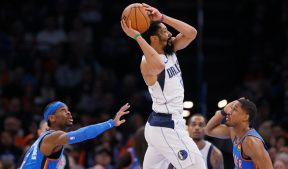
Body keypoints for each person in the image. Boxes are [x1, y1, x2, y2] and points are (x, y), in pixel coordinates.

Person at [121, 3, 206, 169]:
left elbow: (192, 33)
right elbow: (159, 66)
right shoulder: (146, 62)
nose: (170, 33)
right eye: (164, 31)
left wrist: (162, 18)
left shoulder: (170, 48)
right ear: (153, 39)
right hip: (166, 126)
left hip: (161, 124)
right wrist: (137, 36)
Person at [19, 101, 130, 169]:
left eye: (68, 110)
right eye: (63, 110)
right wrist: (111, 123)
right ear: (52, 118)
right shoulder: (52, 137)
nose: (68, 112)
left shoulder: (42, 141)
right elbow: (83, 134)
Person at [205, 98, 273, 168]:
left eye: (234, 109)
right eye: (230, 108)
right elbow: (208, 130)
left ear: (245, 117)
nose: (229, 112)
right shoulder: (233, 131)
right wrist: (223, 111)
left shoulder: (251, 142)